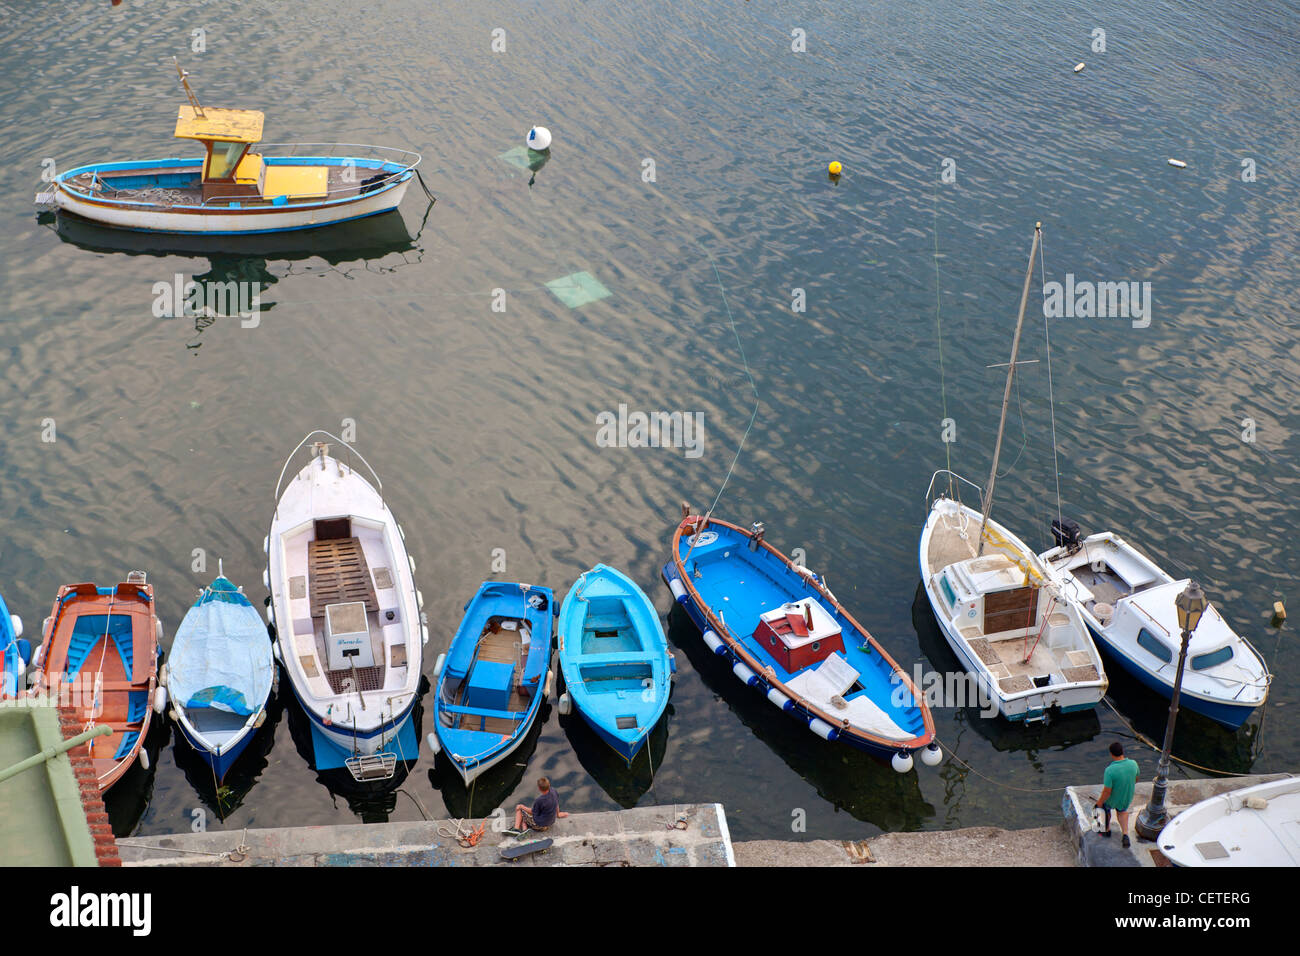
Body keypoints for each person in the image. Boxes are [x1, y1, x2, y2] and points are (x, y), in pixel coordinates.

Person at [1095, 741, 1140, 848]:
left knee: (1104, 808)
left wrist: (1099, 802)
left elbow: (1107, 791)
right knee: (1122, 812)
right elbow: (1136, 779)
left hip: (1112, 798)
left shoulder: (1109, 770)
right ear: (1122, 752)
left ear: (1111, 754)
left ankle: (1106, 830)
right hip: (1126, 796)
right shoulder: (1133, 764)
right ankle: (1125, 834)